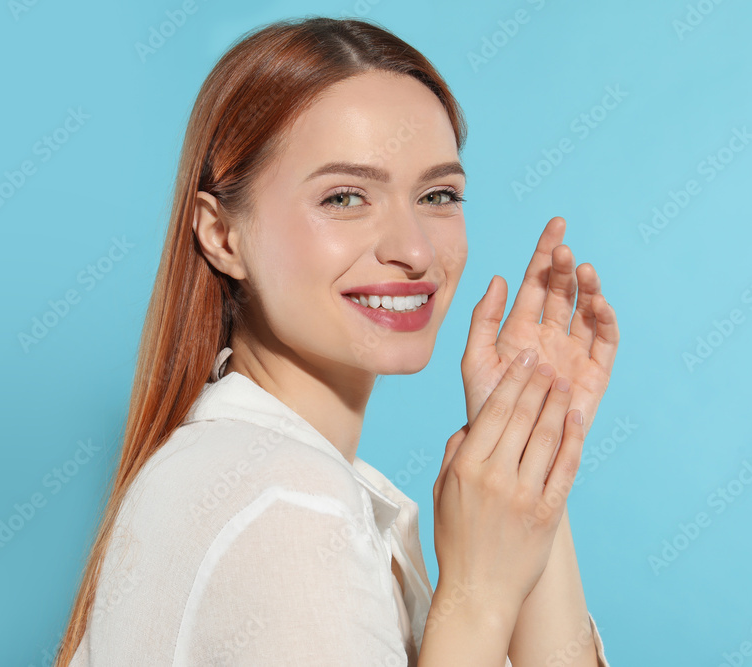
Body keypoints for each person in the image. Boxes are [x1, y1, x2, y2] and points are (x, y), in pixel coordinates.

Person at [55, 15, 618, 666]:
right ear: (221, 235)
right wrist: (476, 594)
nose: (413, 250)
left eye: (438, 193)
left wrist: (530, 447)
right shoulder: (287, 502)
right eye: (346, 197)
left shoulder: (248, 469)